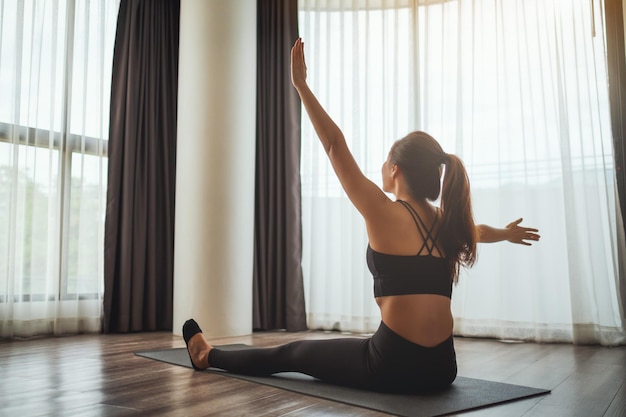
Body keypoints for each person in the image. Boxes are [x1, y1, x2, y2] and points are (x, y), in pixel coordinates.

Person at [183, 38, 540, 393]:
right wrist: (505, 234)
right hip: (442, 368)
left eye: (386, 160)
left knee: (292, 353)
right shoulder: (445, 222)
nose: (382, 166)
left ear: (396, 169)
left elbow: (334, 144)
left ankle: (207, 354)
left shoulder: (383, 210)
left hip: (393, 366)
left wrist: (302, 87)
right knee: (354, 343)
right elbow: (476, 231)